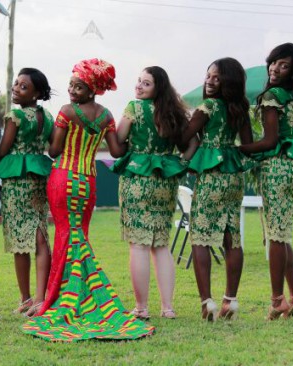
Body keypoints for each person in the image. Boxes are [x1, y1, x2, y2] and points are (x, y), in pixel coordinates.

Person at [23, 58, 154, 341]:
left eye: (78, 86)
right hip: (88, 181)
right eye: (71, 84)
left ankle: (57, 298)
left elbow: (55, 150)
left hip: (63, 178)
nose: (71, 90)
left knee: (64, 238)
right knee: (79, 236)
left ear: (91, 88)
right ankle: (79, 293)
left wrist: (43, 135)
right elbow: (117, 151)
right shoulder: (106, 114)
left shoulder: (67, 112)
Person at [239, 43, 293, 320]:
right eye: (274, 62)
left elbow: (269, 141)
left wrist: (238, 149)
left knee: (275, 235)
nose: (275, 68)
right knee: (281, 233)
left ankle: (277, 301)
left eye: (284, 65)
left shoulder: (272, 96)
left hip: (278, 169)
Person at [111, 66, 190, 320]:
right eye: (138, 81)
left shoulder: (134, 108)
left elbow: (119, 140)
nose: (139, 86)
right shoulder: (173, 113)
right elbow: (192, 143)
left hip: (137, 180)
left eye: (146, 83)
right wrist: (182, 162)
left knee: (139, 245)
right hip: (164, 182)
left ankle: (141, 308)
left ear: (158, 87)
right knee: (161, 245)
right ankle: (168, 307)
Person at [180, 58, 254, 321]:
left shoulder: (207, 106)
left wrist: (197, 135)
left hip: (211, 177)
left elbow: (183, 137)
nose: (209, 81)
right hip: (233, 177)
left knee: (200, 237)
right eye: (208, 76)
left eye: (217, 78)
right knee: (232, 237)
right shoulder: (240, 110)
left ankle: (207, 302)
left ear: (228, 82)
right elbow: (246, 145)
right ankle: (231, 301)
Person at [0, 68, 53, 317]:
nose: (16, 89)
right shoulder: (48, 116)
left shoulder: (15, 116)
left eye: (23, 86)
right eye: (16, 84)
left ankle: (28, 298)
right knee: (40, 233)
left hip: (17, 181)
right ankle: (40, 297)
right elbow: (54, 147)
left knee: (21, 240)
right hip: (39, 177)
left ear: (37, 92)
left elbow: (4, 148)